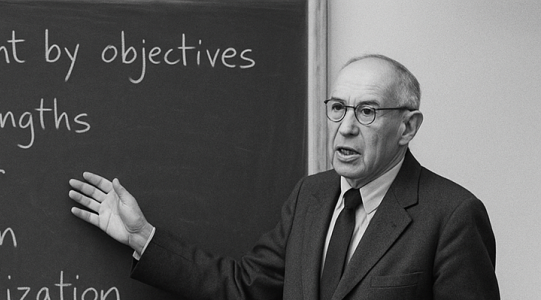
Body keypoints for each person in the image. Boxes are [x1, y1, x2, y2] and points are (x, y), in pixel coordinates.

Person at [68, 54, 500, 300]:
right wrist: (143, 237)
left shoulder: (453, 216)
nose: (346, 127)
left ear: (408, 127)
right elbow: (245, 288)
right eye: (338, 108)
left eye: (367, 111)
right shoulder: (311, 195)